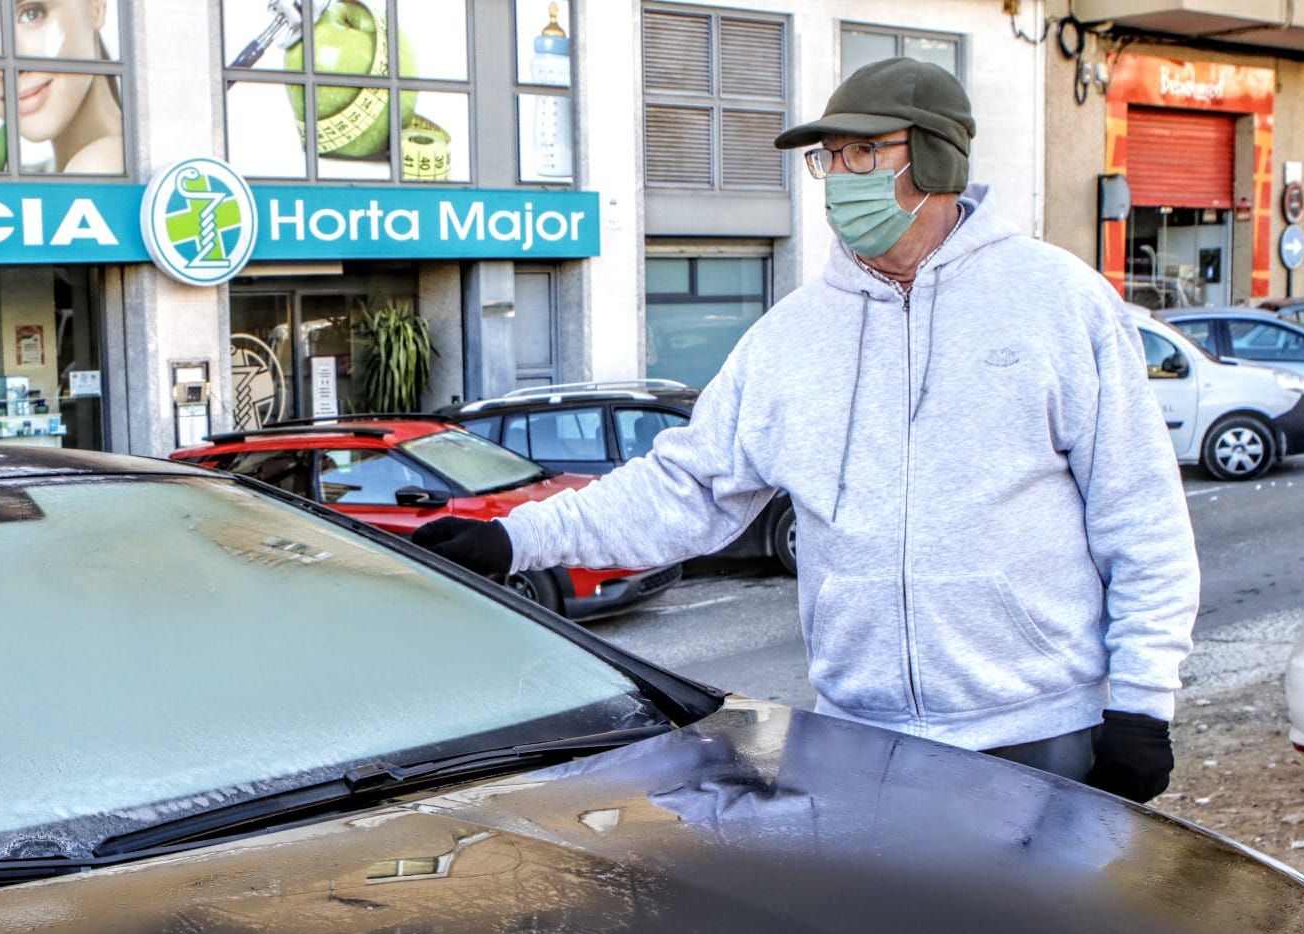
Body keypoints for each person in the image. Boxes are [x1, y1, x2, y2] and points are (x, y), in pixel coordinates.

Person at [413, 58, 1199, 803]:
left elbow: (1139, 514)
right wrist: (516, 540)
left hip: (1040, 731)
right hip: (858, 737)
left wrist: (1141, 705)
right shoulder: (792, 336)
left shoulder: (1058, 302)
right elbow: (684, 488)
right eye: (830, 157)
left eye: (864, 152)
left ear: (935, 161)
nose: (840, 178)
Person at [0, 0, 124, 174]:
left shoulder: (100, 165)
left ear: (96, 5)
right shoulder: (40, 177)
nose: (3, 67)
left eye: (32, 13)